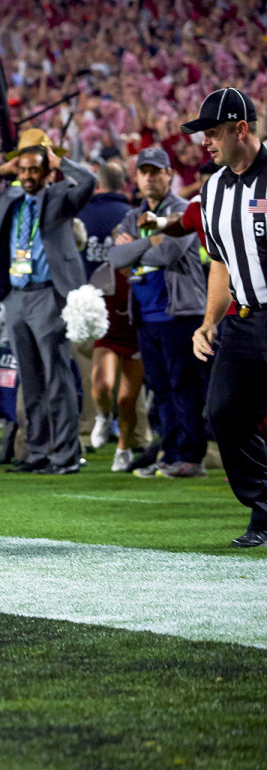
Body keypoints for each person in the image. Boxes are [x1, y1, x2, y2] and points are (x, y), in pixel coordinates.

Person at [0, 128, 95, 474]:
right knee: (31, 380)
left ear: (47, 171)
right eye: (22, 170)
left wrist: (61, 161)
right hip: (15, 296)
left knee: (56, 377)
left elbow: (88, 182)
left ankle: (65, 456)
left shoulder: (59, 196)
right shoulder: (9, 198)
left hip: (47, 294)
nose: (27, 175)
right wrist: (1, 169)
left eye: (33, 169)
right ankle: (38, 452)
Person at [186, 88, 267, 547]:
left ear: (241, 129)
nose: (206, 143)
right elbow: (219, 260)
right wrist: (209, 320)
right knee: (223, 412)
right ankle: (264, 506)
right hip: (244, 316)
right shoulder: (213, 187)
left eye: (213, 133)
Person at [107, 147, 206, 479]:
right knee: (161, 389)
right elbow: (114, 257)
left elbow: (168, 253)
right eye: (143, 172)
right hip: (146, 315)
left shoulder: (184, 210)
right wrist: (147, 244)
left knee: (184, 386)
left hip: (180, 313)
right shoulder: (131, 214)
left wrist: (133, 247)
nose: (149, 177)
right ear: (136, 178)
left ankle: (191, 457)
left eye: (156, 171)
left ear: (169, 175)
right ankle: (170, 453)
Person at [77, 162, 142, 472]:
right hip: (109, 332)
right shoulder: (104, 272)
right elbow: (88, 299)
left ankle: (123, 448)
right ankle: (103, 417)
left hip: (136, 334)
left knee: (128, 399)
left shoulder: (144, 272)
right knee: (101, 385)